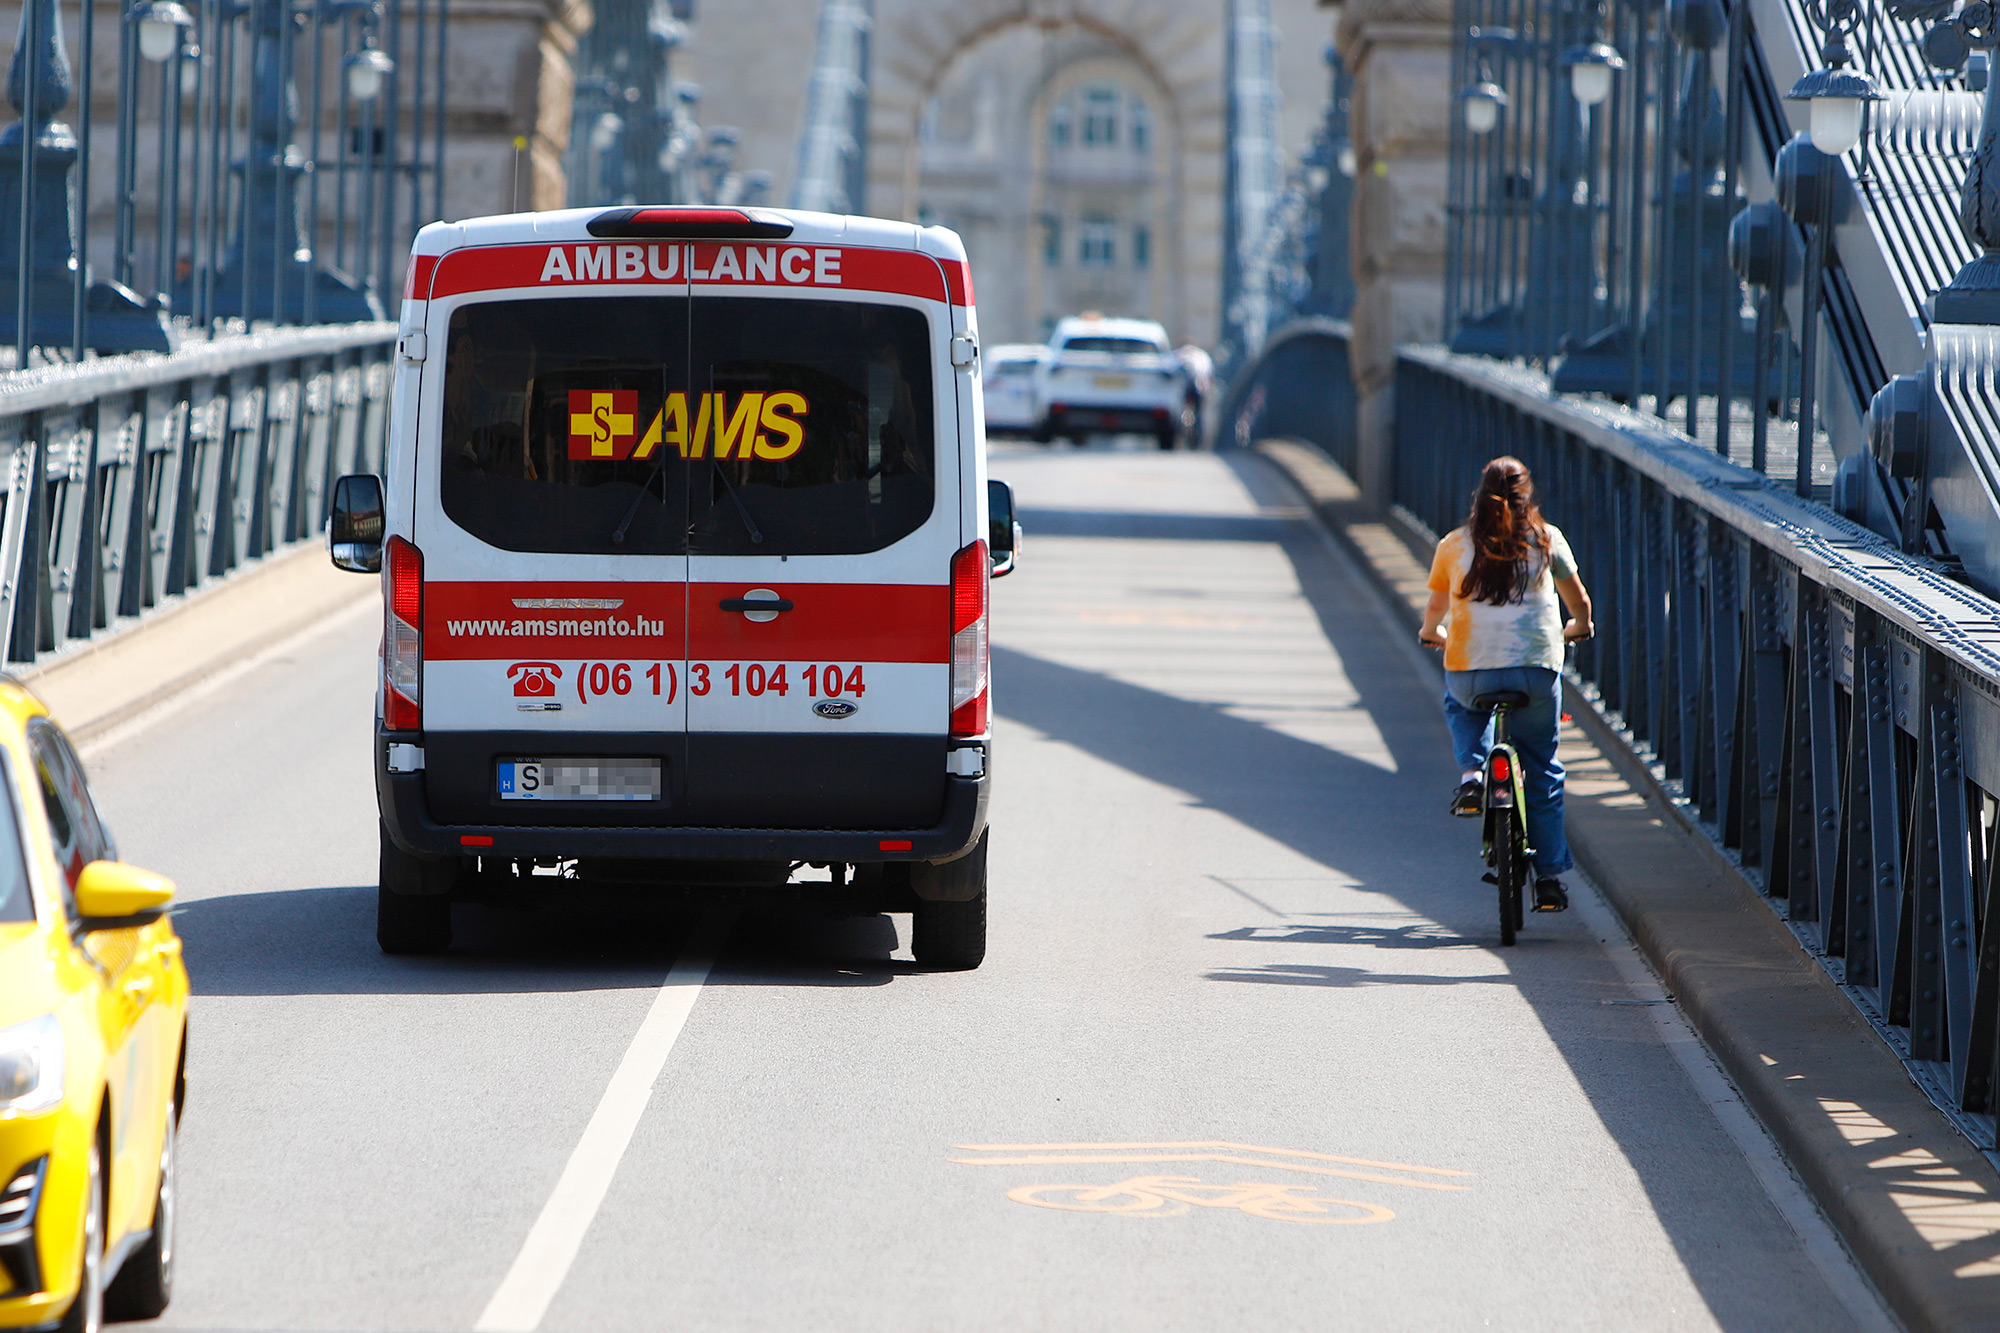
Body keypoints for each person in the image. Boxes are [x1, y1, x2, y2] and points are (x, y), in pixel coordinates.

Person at [1418, 457, 1594, 912]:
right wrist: (1580, 626)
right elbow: (1580, 603)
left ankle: (1473, 775)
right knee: (1542, 769)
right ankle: (1550, 879)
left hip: (1470, 670)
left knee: (1462, 707)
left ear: (1479, 496)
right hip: (1536, 669)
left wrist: (1431, 635)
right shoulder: (1547, 539)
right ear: (1526, 495)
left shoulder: (1454, 545)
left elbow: (1434, 613)